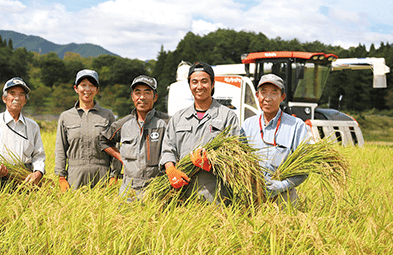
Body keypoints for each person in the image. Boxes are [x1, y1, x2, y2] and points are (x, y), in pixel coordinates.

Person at [159, 61, 240, 203]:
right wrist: (170, 169)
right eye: (194, 82)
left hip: (216, 197)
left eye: (204, 81)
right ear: (189, 85)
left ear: (213, 84)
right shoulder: (178, 117)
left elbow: (236, 155)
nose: (199, 86)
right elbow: (168, 148)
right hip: (182, 195)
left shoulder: (227, 116)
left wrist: (211, 164)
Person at [241, 73, 313, 205]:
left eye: (274, 93)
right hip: (252, 198)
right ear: (257, 96)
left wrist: (282, 185)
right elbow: (239, 160)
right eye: (263, 92)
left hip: (284, 199)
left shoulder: (296, 125)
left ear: (282, 97)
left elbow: (305, 166)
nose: (268, 98)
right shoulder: (247, 125)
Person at [99, 75, 170, 200]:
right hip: (128, 192)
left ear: (155, 97)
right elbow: (103, 140)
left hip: (157, 191)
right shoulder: (123, 124)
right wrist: (121, 158)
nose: (142, 97)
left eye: (147, 92)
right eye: (138, 92)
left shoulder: (166, 123)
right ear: (132, 97)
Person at [0, 77, 45, 194]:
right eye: (12, 93)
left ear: (25, 100)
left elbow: (39, 156)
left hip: (24, 180)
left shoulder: (33, 126)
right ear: (4, 98)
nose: (17, 98)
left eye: (21, 94)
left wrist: (38, 173)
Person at [54, 69, 121, 191]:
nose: (87, 89)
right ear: (76, 88)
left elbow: (116, 146)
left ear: (97, 90)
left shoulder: (107, 115)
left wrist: (114, 175)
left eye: (91, 85)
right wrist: (61, 177)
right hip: (75, 175)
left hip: (102, 174)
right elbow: (60, 148)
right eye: (83, 85)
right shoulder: (66, 117)